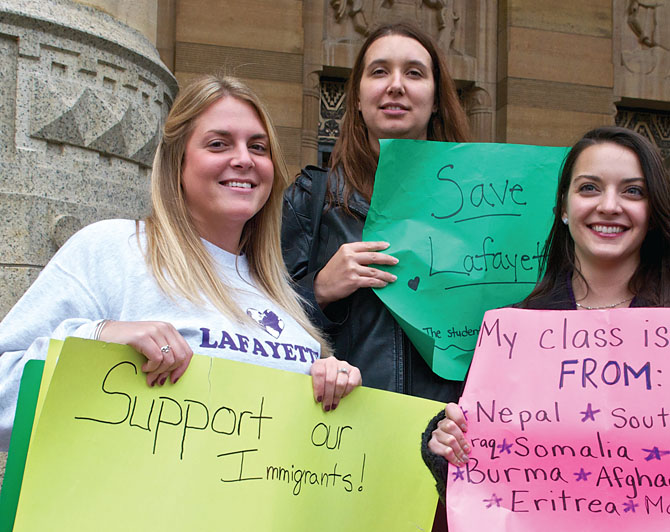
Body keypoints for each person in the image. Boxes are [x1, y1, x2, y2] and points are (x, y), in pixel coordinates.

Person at [0, 75, 362, 451]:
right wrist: (97, 338)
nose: (243, 159)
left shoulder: (278, 292)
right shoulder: (114, 249)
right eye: (218, 144)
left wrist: (332, 380)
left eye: (258, 147)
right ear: (178, 163)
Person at [421, 125, 670, 503]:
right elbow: (480, 468)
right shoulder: (512, 332)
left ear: (652, 213)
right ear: (564, 208)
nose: (608, 205)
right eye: (589, 187)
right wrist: (444, 442)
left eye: (633, 191)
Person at [281, 22, 471, 404]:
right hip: (339, 432)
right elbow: (257, 319)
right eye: (380, 71)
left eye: (414, 73)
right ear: (357, 96)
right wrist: (319, 289)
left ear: (435, 99)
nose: (396, 85)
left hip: (448, 439)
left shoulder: (480, 207)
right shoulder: (311, 197)